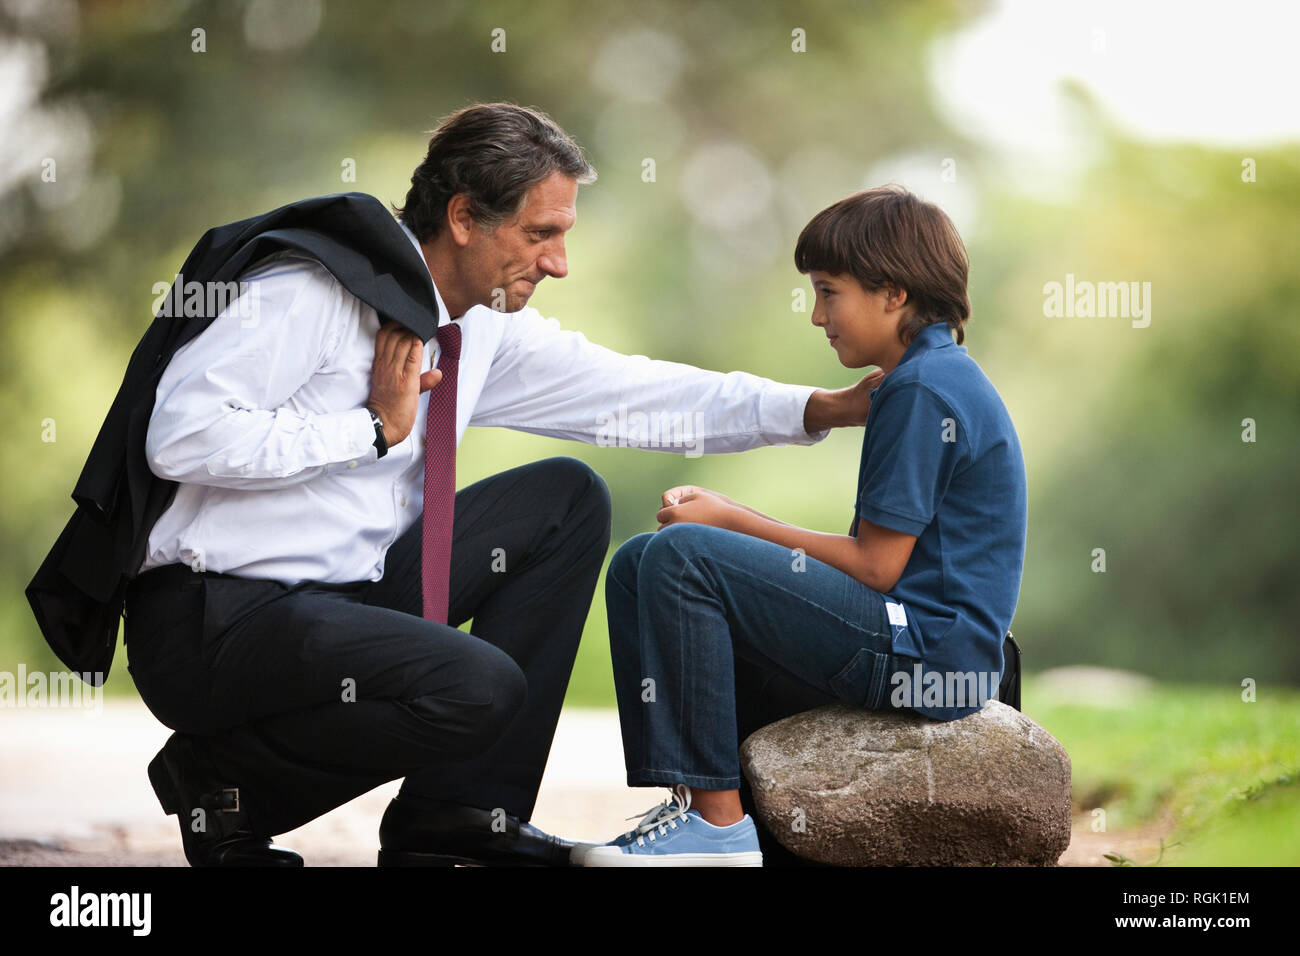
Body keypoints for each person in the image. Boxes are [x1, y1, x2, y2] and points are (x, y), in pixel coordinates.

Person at [116, 103, 881, 867]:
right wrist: (372, 429)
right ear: (462, 218)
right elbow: (179, 435)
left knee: (567, 501)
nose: (558, 262)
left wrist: (823, 407)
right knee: (478, 686)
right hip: (211, 617)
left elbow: (638, 395)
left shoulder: (477, 328)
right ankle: (223, 792)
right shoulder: (310, 293)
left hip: (337, 601)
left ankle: (457, 819)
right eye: (541, 234)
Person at [578, 185, 1028, 866]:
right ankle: (691, 812)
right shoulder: (915, 379)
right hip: (906, 638)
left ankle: (720, 833)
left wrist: (733, 518)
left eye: (828, 292)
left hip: (933, 658)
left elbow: (878, 568)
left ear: (893, 292)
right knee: (640, 562)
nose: (817, 315)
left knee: (685, 554)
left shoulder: (923, 389)